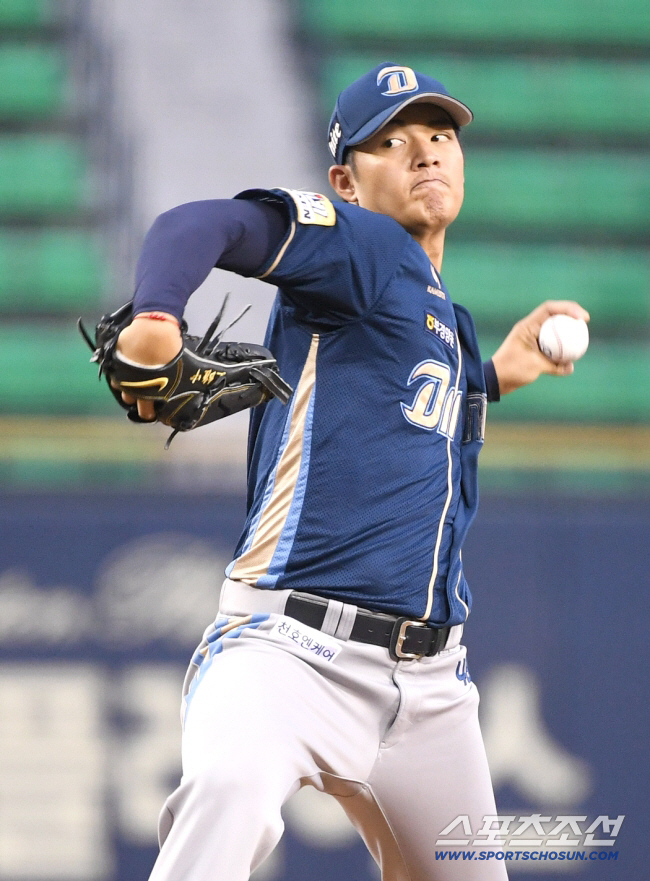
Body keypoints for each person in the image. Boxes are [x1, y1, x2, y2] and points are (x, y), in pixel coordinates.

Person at [114, 63, 588, 881]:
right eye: (392, 141)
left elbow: (411, 415)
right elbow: (201, 224)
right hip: (288, 651)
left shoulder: (443, 313)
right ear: (346, 181)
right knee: (229, 792)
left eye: (440, 136)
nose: (426, 154)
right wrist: (158, 312)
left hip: (432, 689)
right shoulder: (362, 246)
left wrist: (494, 375)